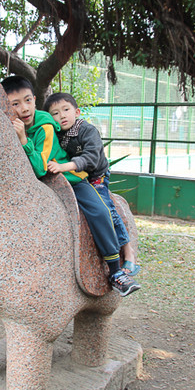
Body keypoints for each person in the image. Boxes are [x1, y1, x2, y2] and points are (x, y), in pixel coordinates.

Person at [1, 76, 140, 297]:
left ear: (35, 100)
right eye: (15, 104)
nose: (24, 109)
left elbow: (41, 168)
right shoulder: (8, 125)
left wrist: (23, 141)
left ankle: (115, 272)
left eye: (28, 100)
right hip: (31, 184)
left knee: (99, 210)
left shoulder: (44, 126)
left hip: (66, 179)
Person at [44, 91, 141, 277]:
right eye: (55, 113)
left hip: (95, 176)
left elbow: (90, 158)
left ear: (77, 111)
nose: (62, 115)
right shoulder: (56, 134)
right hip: (75, 177)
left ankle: (129, 253)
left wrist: (64, 167)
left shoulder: (87, 131)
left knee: (106, 209)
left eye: (66, 109)